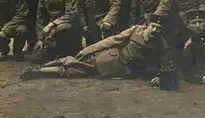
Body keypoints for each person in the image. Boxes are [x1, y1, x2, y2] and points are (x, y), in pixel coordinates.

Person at [20, 13, 176, 84]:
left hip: (119, 70)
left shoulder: (161, 42)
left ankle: (39, 72)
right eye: (153, 26)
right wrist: (88, 49)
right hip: (107, 56)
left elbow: (167, 62)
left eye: (159, 28)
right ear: (148, 25)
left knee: (73, 71)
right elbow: (111, 40)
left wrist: (162, 76)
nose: (155, 30)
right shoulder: (136, 30)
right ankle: (41, 68)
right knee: (75, 60)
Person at [33, 0, 81, 64]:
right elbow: (40, 17)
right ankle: (52, 50)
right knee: (38, 58)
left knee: (61, 29)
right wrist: (40, 39)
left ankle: (64, 52)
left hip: (67, 27)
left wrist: (52, 25)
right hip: (50, 30)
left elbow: (71, 14)